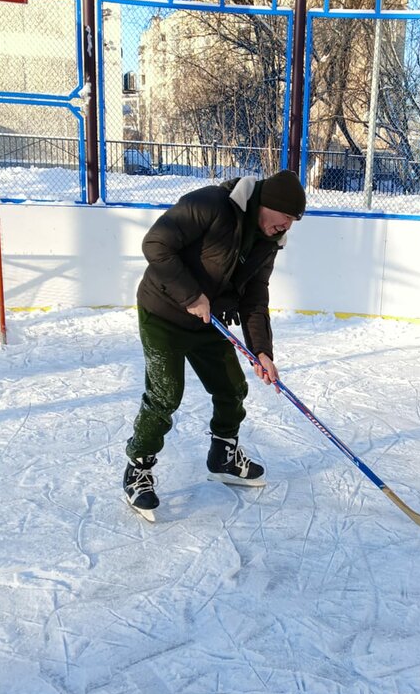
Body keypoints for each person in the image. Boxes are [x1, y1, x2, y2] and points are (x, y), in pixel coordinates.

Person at [123, 168, 306, 519]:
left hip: (210, 320)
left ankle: (223, 455)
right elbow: (156, 244)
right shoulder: (210, 204)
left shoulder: (268, 242)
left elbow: (255, 297)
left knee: (232, 388)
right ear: (266, 204)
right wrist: (191, 295)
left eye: (293, 222)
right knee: (165, 395)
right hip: (164, 313)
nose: (287, 227)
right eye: (285, 218)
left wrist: (262, 351)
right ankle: (138, 470)